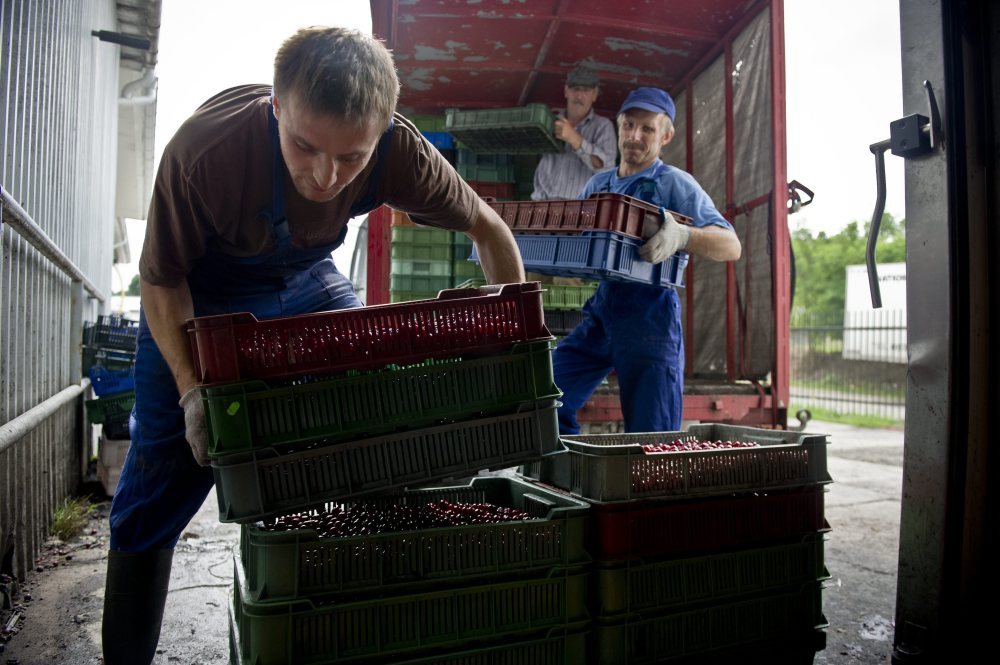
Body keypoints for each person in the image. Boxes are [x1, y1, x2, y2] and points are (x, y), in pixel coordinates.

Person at [101, 27, 525, 665]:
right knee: (163, 478)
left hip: (304, 277)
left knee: (369, 404)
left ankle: (372, 604)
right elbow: (162, 280)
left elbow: (490, 230)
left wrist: (507, 341)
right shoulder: (205, 153)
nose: (326, 176)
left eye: (351, 158)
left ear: (381, 134)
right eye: (304, 146)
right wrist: (193, 390)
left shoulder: (400, 152)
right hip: (201, 292)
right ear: (276, 107)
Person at [552, 87, 741, 435]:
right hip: (601, 313)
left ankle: (644, 489)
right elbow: (575, 241)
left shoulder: (674, 184)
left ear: (665, 135)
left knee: (652, 436)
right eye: (628, 125)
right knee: (547, 398)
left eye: (647, 129)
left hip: (651, 320)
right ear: (619, 127)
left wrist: (684, 236)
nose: (634, 136)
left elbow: (731, 245)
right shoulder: (598, 185)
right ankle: (572, 476)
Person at [531, 62, 617, 201]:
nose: (579, 96)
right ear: (566, 91)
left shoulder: (603, 126)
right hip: (542, 204)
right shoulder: (551, 120)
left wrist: (574, 139)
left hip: (579, 209)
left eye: (586, 90)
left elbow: (606, 168)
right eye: (576, 89)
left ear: (594, 94)